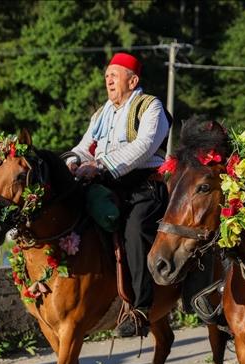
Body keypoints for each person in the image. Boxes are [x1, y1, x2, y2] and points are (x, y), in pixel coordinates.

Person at [64, 52, 171, 337]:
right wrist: (73, 162)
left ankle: (141, 309)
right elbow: (85, 145)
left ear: (133, 80)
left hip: (142, 184)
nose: (108, 79)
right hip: (104, 182)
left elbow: (145, 146)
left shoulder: (150, 106)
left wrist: (99, 165)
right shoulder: (102, 113)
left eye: (115, 74)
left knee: (135, 229)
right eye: (107, 75)